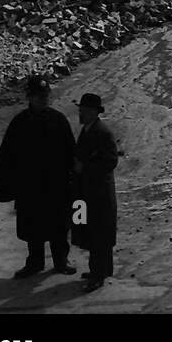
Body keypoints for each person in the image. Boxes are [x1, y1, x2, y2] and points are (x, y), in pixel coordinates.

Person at [0, 76, 76, 279]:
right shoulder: (20, 123)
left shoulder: (58, 119)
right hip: (31, 186)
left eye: (46, 95)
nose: (43, 99)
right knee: (33, 227)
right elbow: (8, 154)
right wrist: (10, 185)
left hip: (56, 184)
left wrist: (74, 179)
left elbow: (70, 150)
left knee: (59, 226)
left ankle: (61, 261)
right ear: (29, 97)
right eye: (39, 95)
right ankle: (35, 263)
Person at [71, 93, 118, 292]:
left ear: (92, 112)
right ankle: (102, 270)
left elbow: (110, 162)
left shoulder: (101, 132)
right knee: (96, 232)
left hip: (98, 193)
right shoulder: (90, 129)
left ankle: (97, 275)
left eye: (83, 110)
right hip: (91, 191)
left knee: (98, 234)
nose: (80, 113)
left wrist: (85, 168)